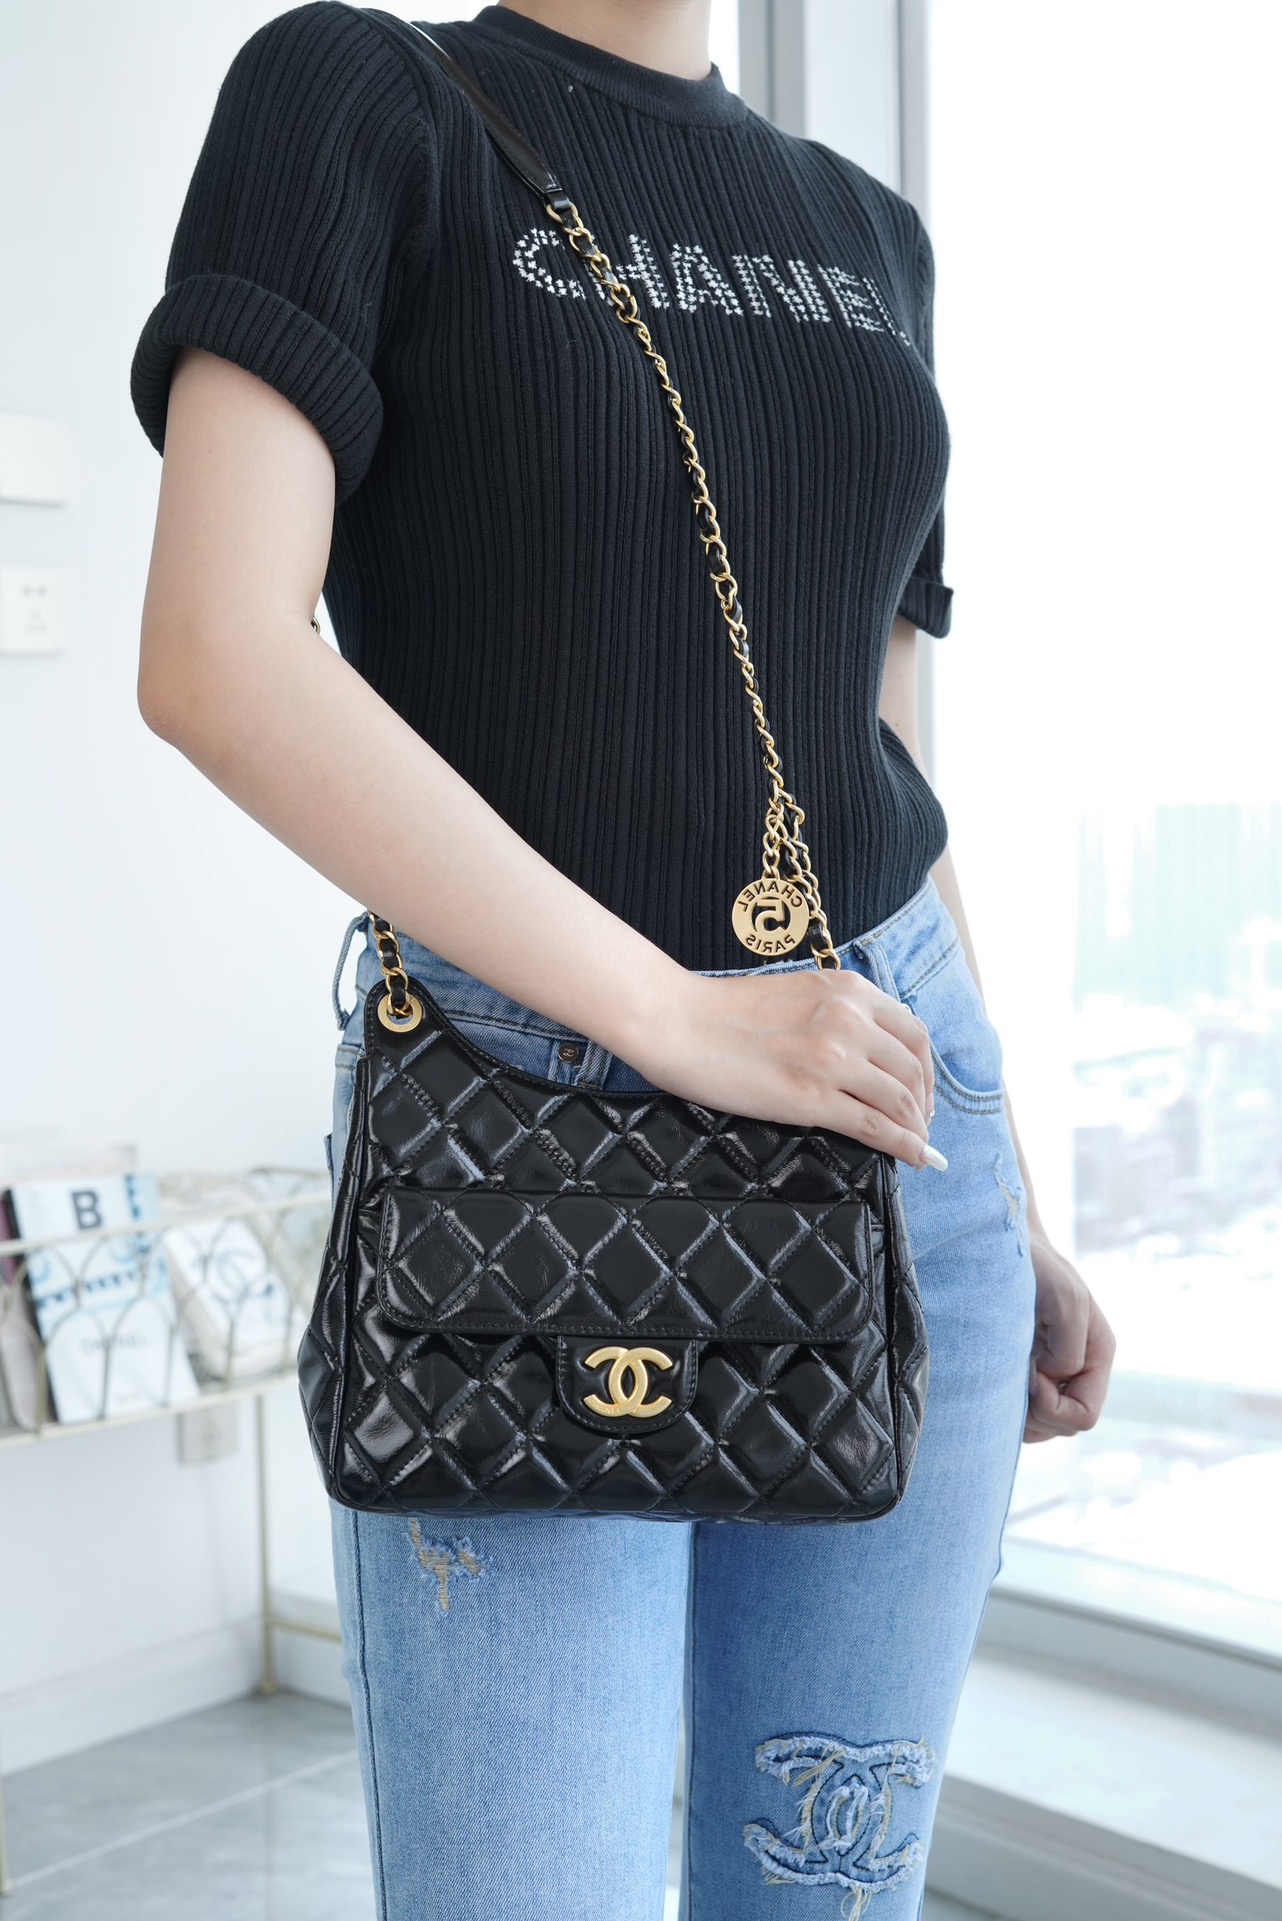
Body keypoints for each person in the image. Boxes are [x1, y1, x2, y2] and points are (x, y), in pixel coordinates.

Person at [129, 4, 1115, 1916]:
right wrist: (676, 1014)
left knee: (827, 1885)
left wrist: (1003, 1188)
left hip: (895, 1137)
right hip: (526, 1158)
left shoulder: (868, 230)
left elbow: (871, 739)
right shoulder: (364, 98)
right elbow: (215, 654)